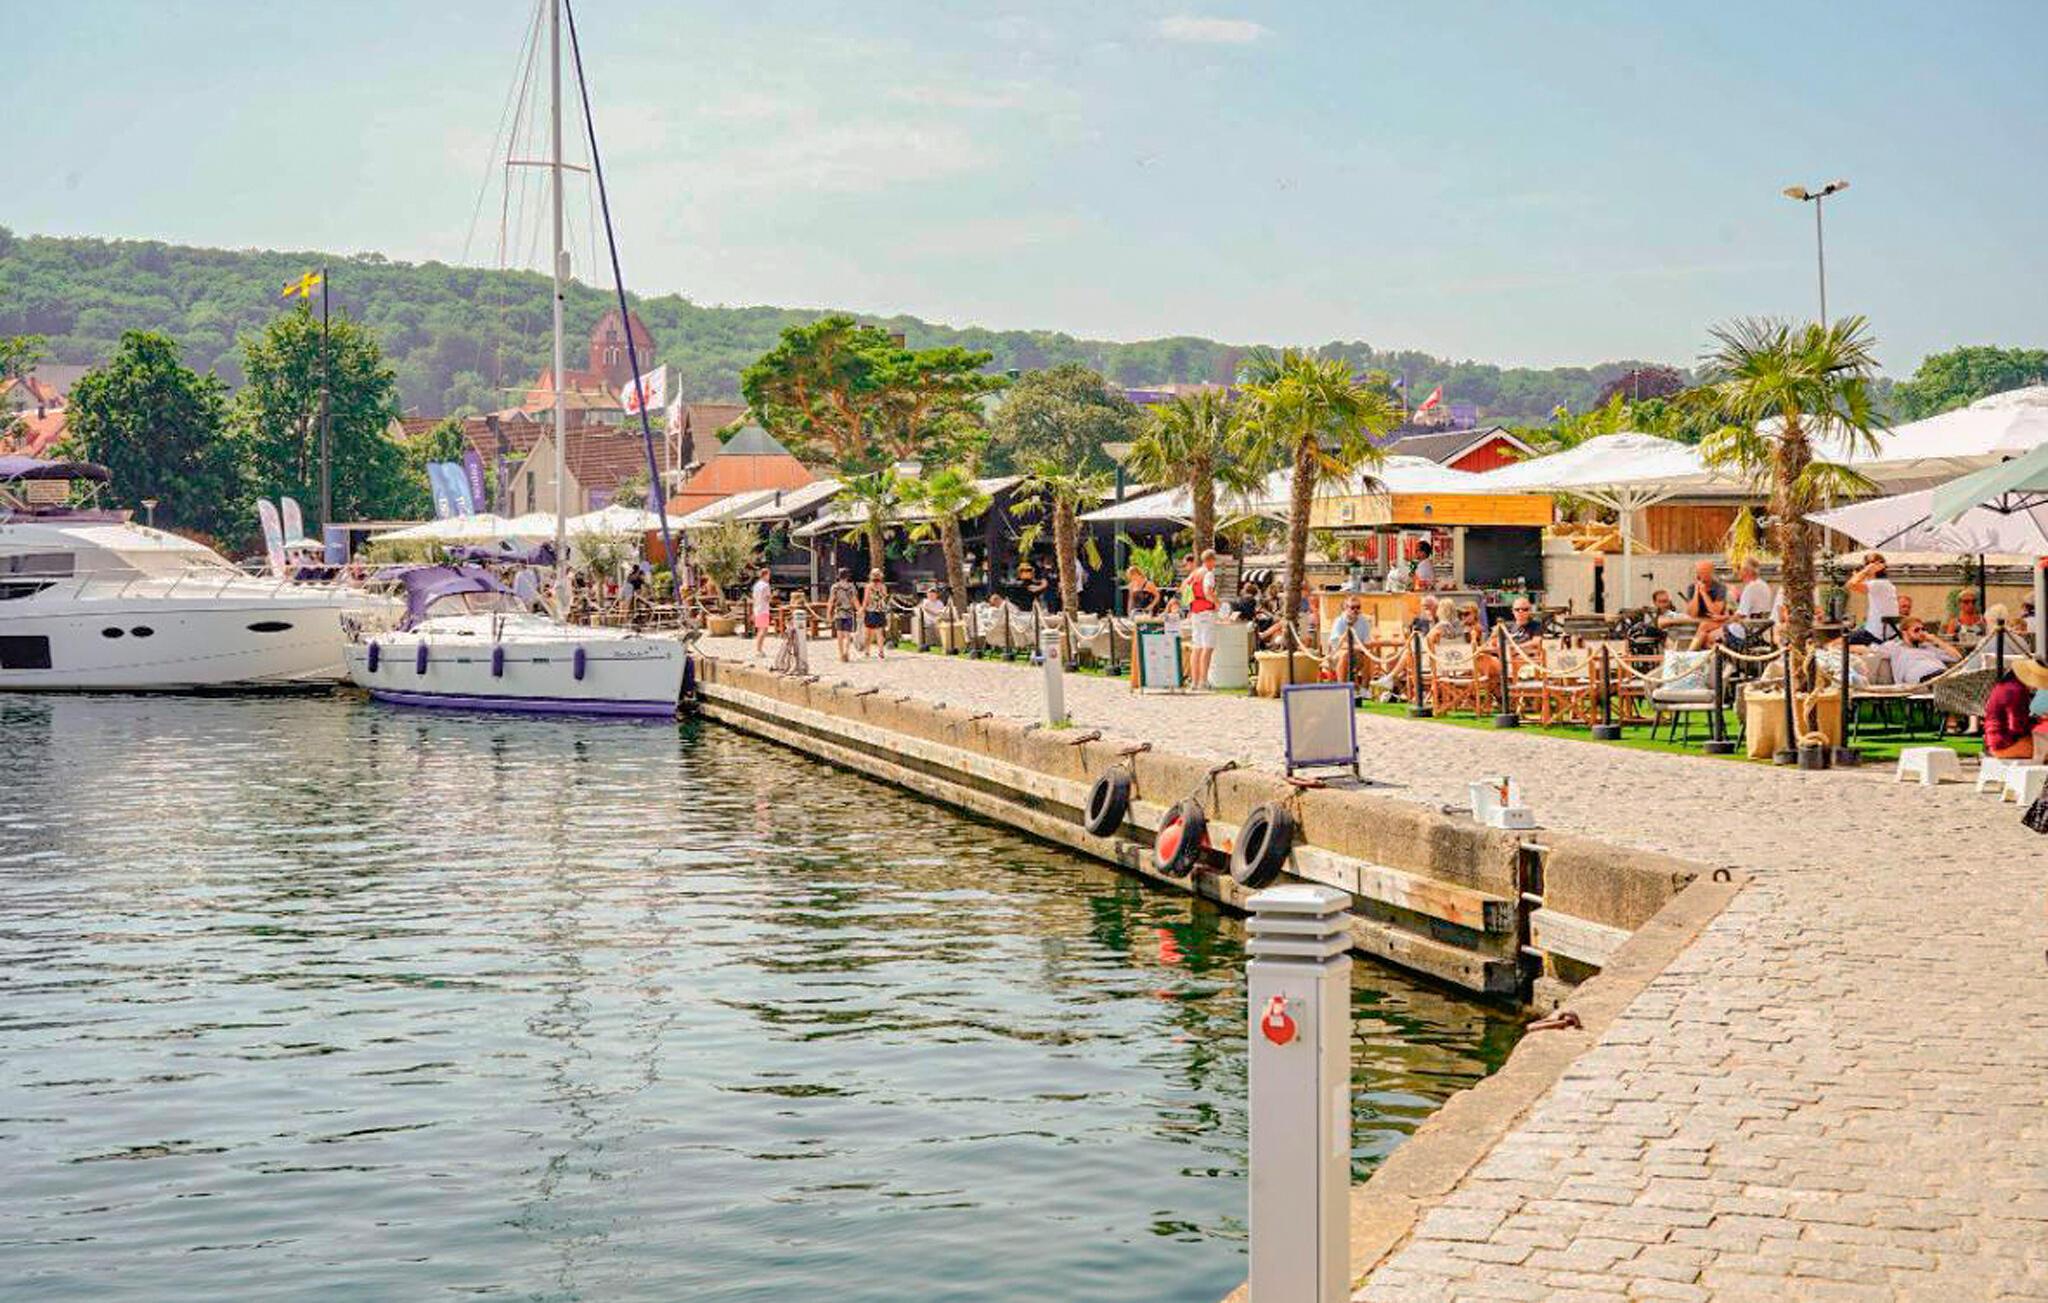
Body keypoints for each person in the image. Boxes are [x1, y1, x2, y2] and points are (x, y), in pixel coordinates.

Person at [1983, 659, 2048, 761]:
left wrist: (2035, 720)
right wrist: (2036, 723)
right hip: (2006, 744)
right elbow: (2017, 727)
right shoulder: (2016, 691)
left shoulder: (2007, 686)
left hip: (1997, 741)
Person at [1875, 617, 1959, 685]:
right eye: (1916, 630)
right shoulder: (1895, 647)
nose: (1921, 632)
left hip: (1942, 674)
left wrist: (1936, 640)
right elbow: (1873, 650)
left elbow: (1957, 657)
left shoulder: (1928, 647)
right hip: (1923, 678)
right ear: (1904, 633)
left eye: (1923, 629)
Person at [1847, 552, 1899, 644]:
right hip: (1880, 632)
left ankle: (1869, 649)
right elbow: (1858, 584)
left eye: (1867, 564)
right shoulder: (1884, 584)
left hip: (1874, 635)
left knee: (1836, 644)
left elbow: (1850, 585)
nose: (1865, 567)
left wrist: (1865, 571)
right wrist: (1860, 574)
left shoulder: (1878, 584)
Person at [1679, 559, 1730, 650]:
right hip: (1698, 622)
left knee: (1704, 627)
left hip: (1717, 622)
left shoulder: (1720, 588)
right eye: (1699, 572)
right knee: (1703, 634)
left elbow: (1715, 611)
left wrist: (1703, 593)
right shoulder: (1692, 588)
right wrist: (1696, 591)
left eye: (1705, 572)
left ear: (1711, 572)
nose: (1702, 574)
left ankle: (1689, 653)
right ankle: (1691, 654)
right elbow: (1693, 614)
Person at [1186, 548, 1219, 690]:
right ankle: (1203, 681)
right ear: (1210, 560)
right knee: (1207, 647)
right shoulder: (1208, 574)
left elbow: (1184, 588)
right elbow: (1207, 592)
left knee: (1197, 646)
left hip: (1195, 612)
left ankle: (1194, 681)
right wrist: (1217, 603)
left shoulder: (1195, 573)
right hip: (1206, 612)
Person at [1730, 559, 1772, 648]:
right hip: (1759, 630)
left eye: (1741, 569)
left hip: (1746, 632)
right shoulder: (1764, 585)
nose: (1739, 572)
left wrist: (1723, 620)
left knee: (1709, 636)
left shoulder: (1750, 587)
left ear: (1747, 572)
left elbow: (1740, 615)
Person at [827, 567, 859, 662]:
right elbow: (854, 600)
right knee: (848, 635)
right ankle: (846, 652)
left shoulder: (835, 587)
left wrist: (828, 613)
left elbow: (831, 601)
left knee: (840, 635)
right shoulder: (851, 587)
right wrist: (860, 610)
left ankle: (841, 654)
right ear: (847, 576)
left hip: (839, 613)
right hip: (849, 613)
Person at [860, 568, 890, 659]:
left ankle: (867, 652)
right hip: (880, 611)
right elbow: (885, 598)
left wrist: (862, 609)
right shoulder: (883, 587)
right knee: (879, 633)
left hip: (870, 611)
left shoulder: (868, 586)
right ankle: (881, 651)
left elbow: (866, 600)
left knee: (868, 633)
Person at [750, 567, 774, 657]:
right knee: (763, 630)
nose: (769, 577)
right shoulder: (766, 585)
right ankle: (759, 650)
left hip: (757, 609)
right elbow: (767, 598)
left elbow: (754, 598)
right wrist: (773, 596)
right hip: (763, 609)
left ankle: (759, 649)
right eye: (768, 575)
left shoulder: (756, 585)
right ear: (765, 575)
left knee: (760, 630)